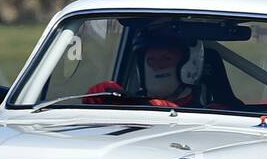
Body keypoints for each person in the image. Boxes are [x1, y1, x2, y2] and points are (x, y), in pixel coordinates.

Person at [85, 39, 221, 108]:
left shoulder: (212, 112)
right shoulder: (127, 105)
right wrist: (99, 99)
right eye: (151, 60)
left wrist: (170, 110)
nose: (157, 66)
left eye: (166, 59)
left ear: (190, 65)